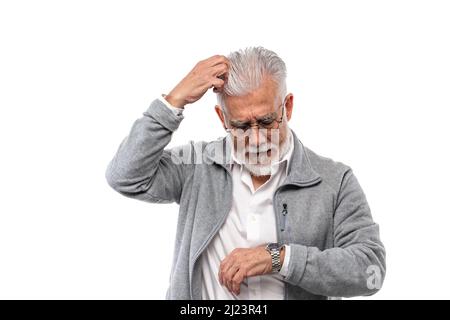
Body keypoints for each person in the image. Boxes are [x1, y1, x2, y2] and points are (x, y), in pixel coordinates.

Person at [105, 46, 386, 300]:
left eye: (266, 122)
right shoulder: (197, 165)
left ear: (287, 107)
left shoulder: (335, 181)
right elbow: (124, 175)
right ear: (222, 119)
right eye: (240, 126)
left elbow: (370, 270)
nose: (256, 140)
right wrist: (173, 102)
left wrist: (279, 258)